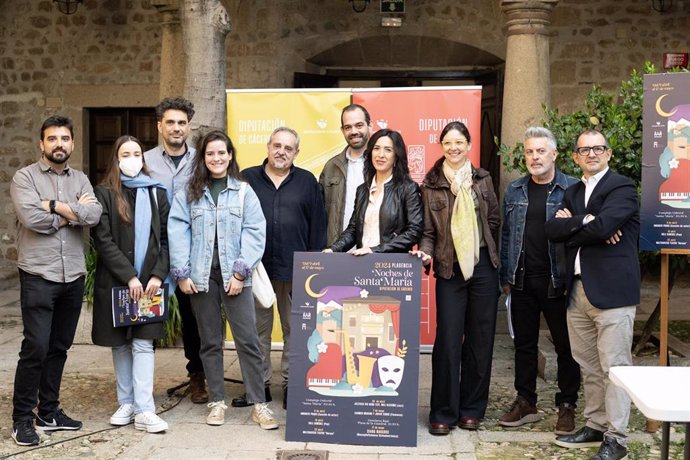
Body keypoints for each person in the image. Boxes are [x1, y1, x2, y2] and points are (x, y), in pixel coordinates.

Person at [168, 130, 278, 429]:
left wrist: (240, 272)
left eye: (221, 153)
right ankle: (217, 402)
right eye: (210, 154)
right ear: (203, 159)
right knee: (210, 342)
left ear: (230, 156)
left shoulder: (243, 192)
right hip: (201, 277)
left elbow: (255, 230)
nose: (216, 158)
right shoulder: (188, 194)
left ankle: (259, 404)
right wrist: (182, 273)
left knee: (248, 340)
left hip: (235, 276)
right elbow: (178, 232)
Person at [545, 129, 640, 460]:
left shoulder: (622, 187)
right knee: (589, 366)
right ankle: (596, 425)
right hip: (578, 291)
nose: (592, 154)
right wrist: (586, 222)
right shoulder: (572, 193)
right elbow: (553, 232)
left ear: (609, 153)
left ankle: (617, 437)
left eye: (598, 148)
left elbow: (604, 226)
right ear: (575, 157)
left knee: (615, 367)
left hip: (612, 293)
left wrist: (579, 226)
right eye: (584, 150)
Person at [9, 116, 102, 446]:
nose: (59, 144)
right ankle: (22, 419)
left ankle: (48, 411)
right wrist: (71, 213)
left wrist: (55, 207)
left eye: (64, 138)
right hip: (38, 274)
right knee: (36, 346)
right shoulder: (25, 177)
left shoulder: (80, 178)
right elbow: (32, 218)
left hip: (73, 275)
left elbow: (94, 215)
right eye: (52, 139)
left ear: (72, 144)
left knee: (59, 347)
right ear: (42, 144)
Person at [410, 121, 500, 435]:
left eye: (459, 142)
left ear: (469, 144)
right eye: (448, 142)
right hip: (449, 268)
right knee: (448, 340)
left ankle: (472, 409)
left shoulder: (483, 179)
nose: (453, 148)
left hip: (483, 266)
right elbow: (428, 232)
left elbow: (493, 219)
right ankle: (443, 413)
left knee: (480, 339)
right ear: (442, 145)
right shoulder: (431, 184)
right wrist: (425, 252)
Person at [498, 127, 581, 434]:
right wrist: (505, 275)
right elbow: (507, 234)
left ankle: (567, 403)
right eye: (530, 151)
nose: (535, 157)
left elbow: (584, 230)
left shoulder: (572, 189)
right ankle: (526, 401)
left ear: (554, 154)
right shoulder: (515, 190)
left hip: (557, 282)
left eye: (541, 151)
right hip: (521, 281)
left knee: (566, 346)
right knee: (524, 345)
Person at [242, 127, 327, 409]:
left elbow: (317, 227)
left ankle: (292, 385)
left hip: (297, 271)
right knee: (256, 331)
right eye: (277, 145)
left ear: (296, 153)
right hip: (256, 269)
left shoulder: (307, 181)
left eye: (288, 148)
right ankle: (260, 385)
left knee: (296, 331)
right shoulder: (247, 179)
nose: (281, 151)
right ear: (267, 147)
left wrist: (316, 267)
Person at [91, 135, 170, 433]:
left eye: (137, 153)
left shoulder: (156, 193)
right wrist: (129, 276)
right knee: (121, 344)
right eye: (126, 153)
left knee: (143, 344)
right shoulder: (105, 193)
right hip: (117, 281)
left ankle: (145, 409)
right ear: (116, 158)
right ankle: (126, 402)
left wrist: (157, 275)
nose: (133, 158)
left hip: (149, 285)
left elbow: (166, 239)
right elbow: (104, 240)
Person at [144, 97, 208, 404]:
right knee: (145, 317)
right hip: (153, 252)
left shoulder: (201, 160)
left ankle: (198, 376)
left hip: (190, 253)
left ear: (189, 126)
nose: (176, 128)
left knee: (193, 319)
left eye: (182, 122)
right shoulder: (143, 161)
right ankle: (141, 387)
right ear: (159, 126)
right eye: (170, 122)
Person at [325, 128, 423, 255]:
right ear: (370, 152)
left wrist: (375, 250)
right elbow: (354, 229)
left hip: (392, 266)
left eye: (388, 150)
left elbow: (414, 231)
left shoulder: (408, 188)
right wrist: (334, 249)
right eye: (376, 148)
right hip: (361, 262)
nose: (380, 155)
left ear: (396, 156)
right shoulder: (362, 190)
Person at [319, 103, 373, 247]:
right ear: (342, 131)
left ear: (370, 126)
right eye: (348, 127)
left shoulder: (382, 163)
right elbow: (319, 213)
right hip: (338, 252)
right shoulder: (331, 166)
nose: (353, 131)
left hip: (374, 253)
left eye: (359, 125)